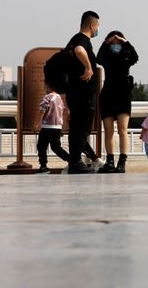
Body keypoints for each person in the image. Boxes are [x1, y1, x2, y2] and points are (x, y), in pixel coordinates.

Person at [95, 30, 139, 173]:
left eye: (117, 42)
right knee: (108, 130)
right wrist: (105, 43)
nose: (115, 44)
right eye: (112, 42)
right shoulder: (106, 57)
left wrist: (125, 42)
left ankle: (122, 162)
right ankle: (110, 161)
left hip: (123, 94)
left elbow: (135, 56)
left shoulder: (126, 56)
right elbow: (98, 59)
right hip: (107, 93)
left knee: (122, 130)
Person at [65, 10, 101, 174]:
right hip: (83, 94)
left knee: (77, 128)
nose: (97, 29)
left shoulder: (73, 39)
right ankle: (76, 162)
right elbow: (80, 50)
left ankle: (75, 161)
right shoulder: (81, 40)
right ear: (92, 25)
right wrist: (88, 67)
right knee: (82, 128)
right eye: (97, 26)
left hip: (75, 93)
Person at [36, 83, 69, 173]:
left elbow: (42, 111)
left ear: (48, 86)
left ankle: (43, 166)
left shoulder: (47, 97)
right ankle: (71, 160)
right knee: (56, 147)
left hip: (47, 126)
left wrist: (36, 124)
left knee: (42, 146)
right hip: (57, 127)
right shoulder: (59, 98)